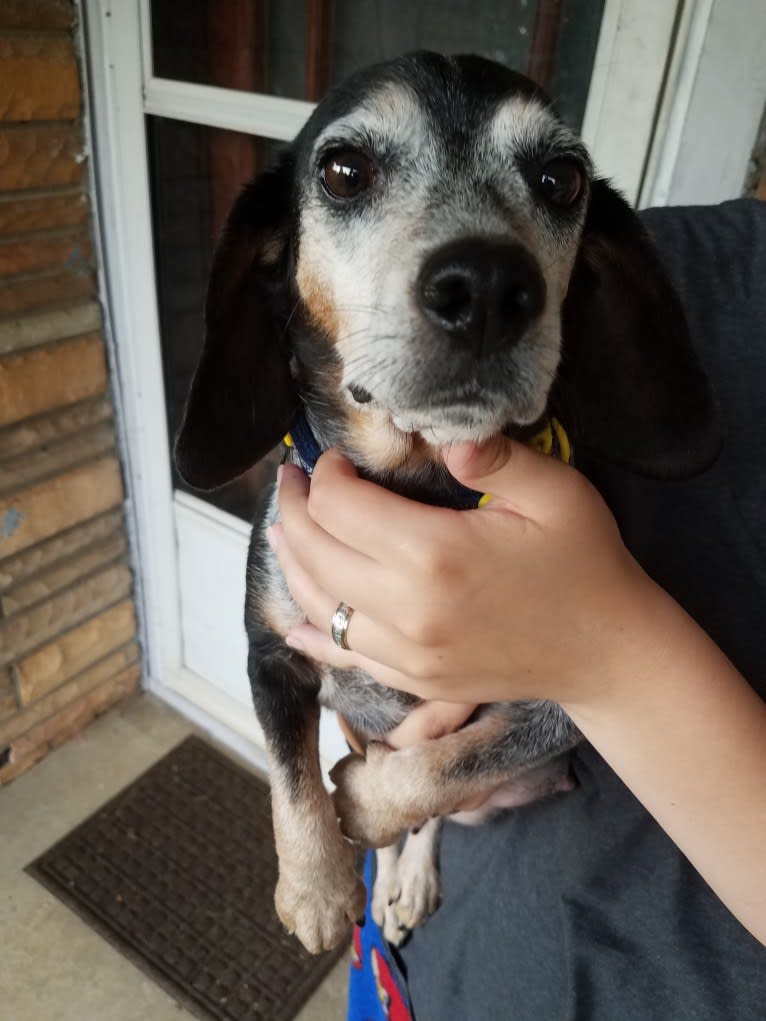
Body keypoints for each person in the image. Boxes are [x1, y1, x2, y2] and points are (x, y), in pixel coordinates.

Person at [268, 199, 766, 1020]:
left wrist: (609, 654)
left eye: (549, 177)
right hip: (413, 958)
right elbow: (315, 674)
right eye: (353, 180)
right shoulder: (645, 251)